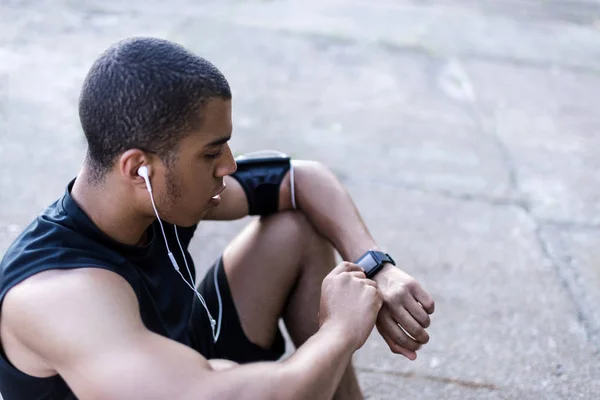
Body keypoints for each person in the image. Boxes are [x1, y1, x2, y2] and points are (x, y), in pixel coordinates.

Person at [0, 37, 435, 400]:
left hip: (187, 358)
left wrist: (377, 266)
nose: (228, 165)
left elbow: (301, 178)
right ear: (139, 170)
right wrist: (339, 329)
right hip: (184, 388)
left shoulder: (153, 194)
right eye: (211, 152)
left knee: (294, 230)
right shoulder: (58, 296)